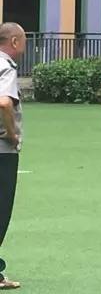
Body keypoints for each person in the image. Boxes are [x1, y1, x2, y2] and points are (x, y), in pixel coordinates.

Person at [0, 22, 26, 289]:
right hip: (2, 151)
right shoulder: (5, 67)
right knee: (1, 210)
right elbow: (4, 102)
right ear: (15, 42)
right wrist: (11, 134)